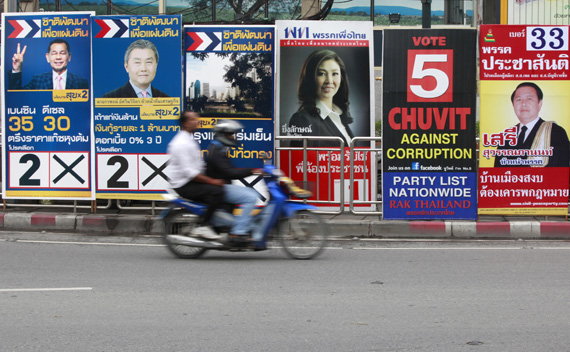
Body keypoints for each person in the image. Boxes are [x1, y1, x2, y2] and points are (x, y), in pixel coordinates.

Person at [167, 111, 225, 240]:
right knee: (217, 192)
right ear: (185, 123)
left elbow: (197, 166)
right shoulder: (181, 143)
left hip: (191, 181)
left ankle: (218, 228)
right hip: (184, 184)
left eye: (197, 118)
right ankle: (205, 226)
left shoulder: (189, 139)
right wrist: (213, 182)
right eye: (193, 119)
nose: (197, 121)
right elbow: (190, 173)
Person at [205, 120, 263, 243]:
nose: (233, 137)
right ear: (223, 135)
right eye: (230, 134)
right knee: (251, 197)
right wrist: (252, 171)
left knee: (249, 192)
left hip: (222, 187)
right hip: (219, 188)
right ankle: (238, 232)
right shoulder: (216, 151)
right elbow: (230, 173)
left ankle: (240, 227)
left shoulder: (219, 148)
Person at [287, 49, 355, 147]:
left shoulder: (339, 117)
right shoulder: (302, 120)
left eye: (334, 74)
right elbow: (300, 160)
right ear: (310, 78)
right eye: (322, 73)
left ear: (341, 78)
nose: (329, 81)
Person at [494, 82, 570, 167]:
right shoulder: (506, 136)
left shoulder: (556, 132)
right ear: (513, 105)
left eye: (529, 99)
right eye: (518, 99)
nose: (523, 104)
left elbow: (562, 171)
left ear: (540, 103)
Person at [8, 39, 88, 90]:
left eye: (62, 53)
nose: (58, 57)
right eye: (54, 53)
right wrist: (17, 70)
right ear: (47, 57)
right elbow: (17, 98)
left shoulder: (80, 82)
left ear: (69, 57)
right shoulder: (37, 81)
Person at [102, 39, 168, 98]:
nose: (143, 69)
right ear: (126, 67)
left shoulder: (167, 100)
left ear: (156, 65)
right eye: (137, 62)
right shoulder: (110, 98)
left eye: (148, 62)